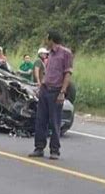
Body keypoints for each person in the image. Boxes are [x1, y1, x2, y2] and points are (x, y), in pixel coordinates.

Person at [29, 30, 73, 160]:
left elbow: (67, 74)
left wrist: (62, 92)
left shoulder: (65, 53)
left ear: (51, 39)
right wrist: (41, 84)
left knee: (54, 122)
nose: (45, 41)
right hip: (45, 89)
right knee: (40, 120)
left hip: (56, 91)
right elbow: (48, 72)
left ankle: (54, 150)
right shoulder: (49, 55)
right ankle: (39, 148)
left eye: (46, 38)